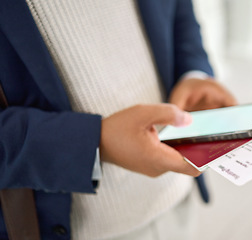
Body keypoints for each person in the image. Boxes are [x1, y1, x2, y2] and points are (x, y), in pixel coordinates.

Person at [0, 0, 237, 239]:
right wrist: (96, 142)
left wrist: (193, 72)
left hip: (177, 200)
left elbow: (178, 10)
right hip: (74, 226)